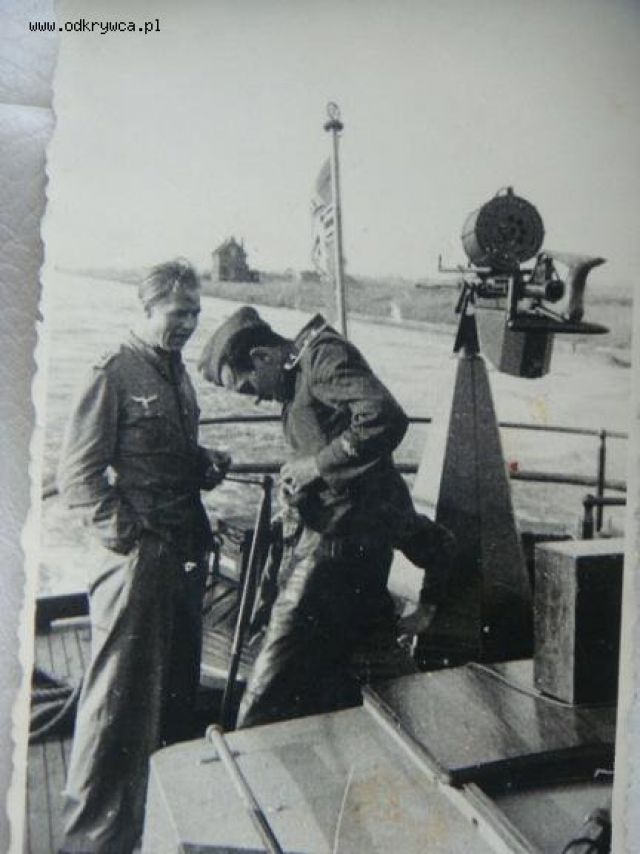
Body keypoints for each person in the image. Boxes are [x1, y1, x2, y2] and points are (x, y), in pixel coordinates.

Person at [199, 307, 455, 729]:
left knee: (266, 693)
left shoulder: (321, 358)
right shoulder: (299, 376)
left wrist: (316, 467)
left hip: (333, 555)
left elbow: (385, 416)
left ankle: (239, 763)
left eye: (249, 387)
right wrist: (301, 486)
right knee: (347, 681)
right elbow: (349, 457)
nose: (258, 399)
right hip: (340, 547)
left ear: (262, 356)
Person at [57, 259, 231, 853]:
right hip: (138, 560)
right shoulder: (113, 372)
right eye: (178, 313)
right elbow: (77, 476)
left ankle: (157, 826)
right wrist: (130, 538)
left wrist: (202, 462)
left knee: (174, 694)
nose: (188, 324)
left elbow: (163, 452)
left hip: (182, 554)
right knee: (115, 703)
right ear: (149, 307)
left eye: (195, 314)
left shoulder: (174, 371)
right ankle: (89, 839)